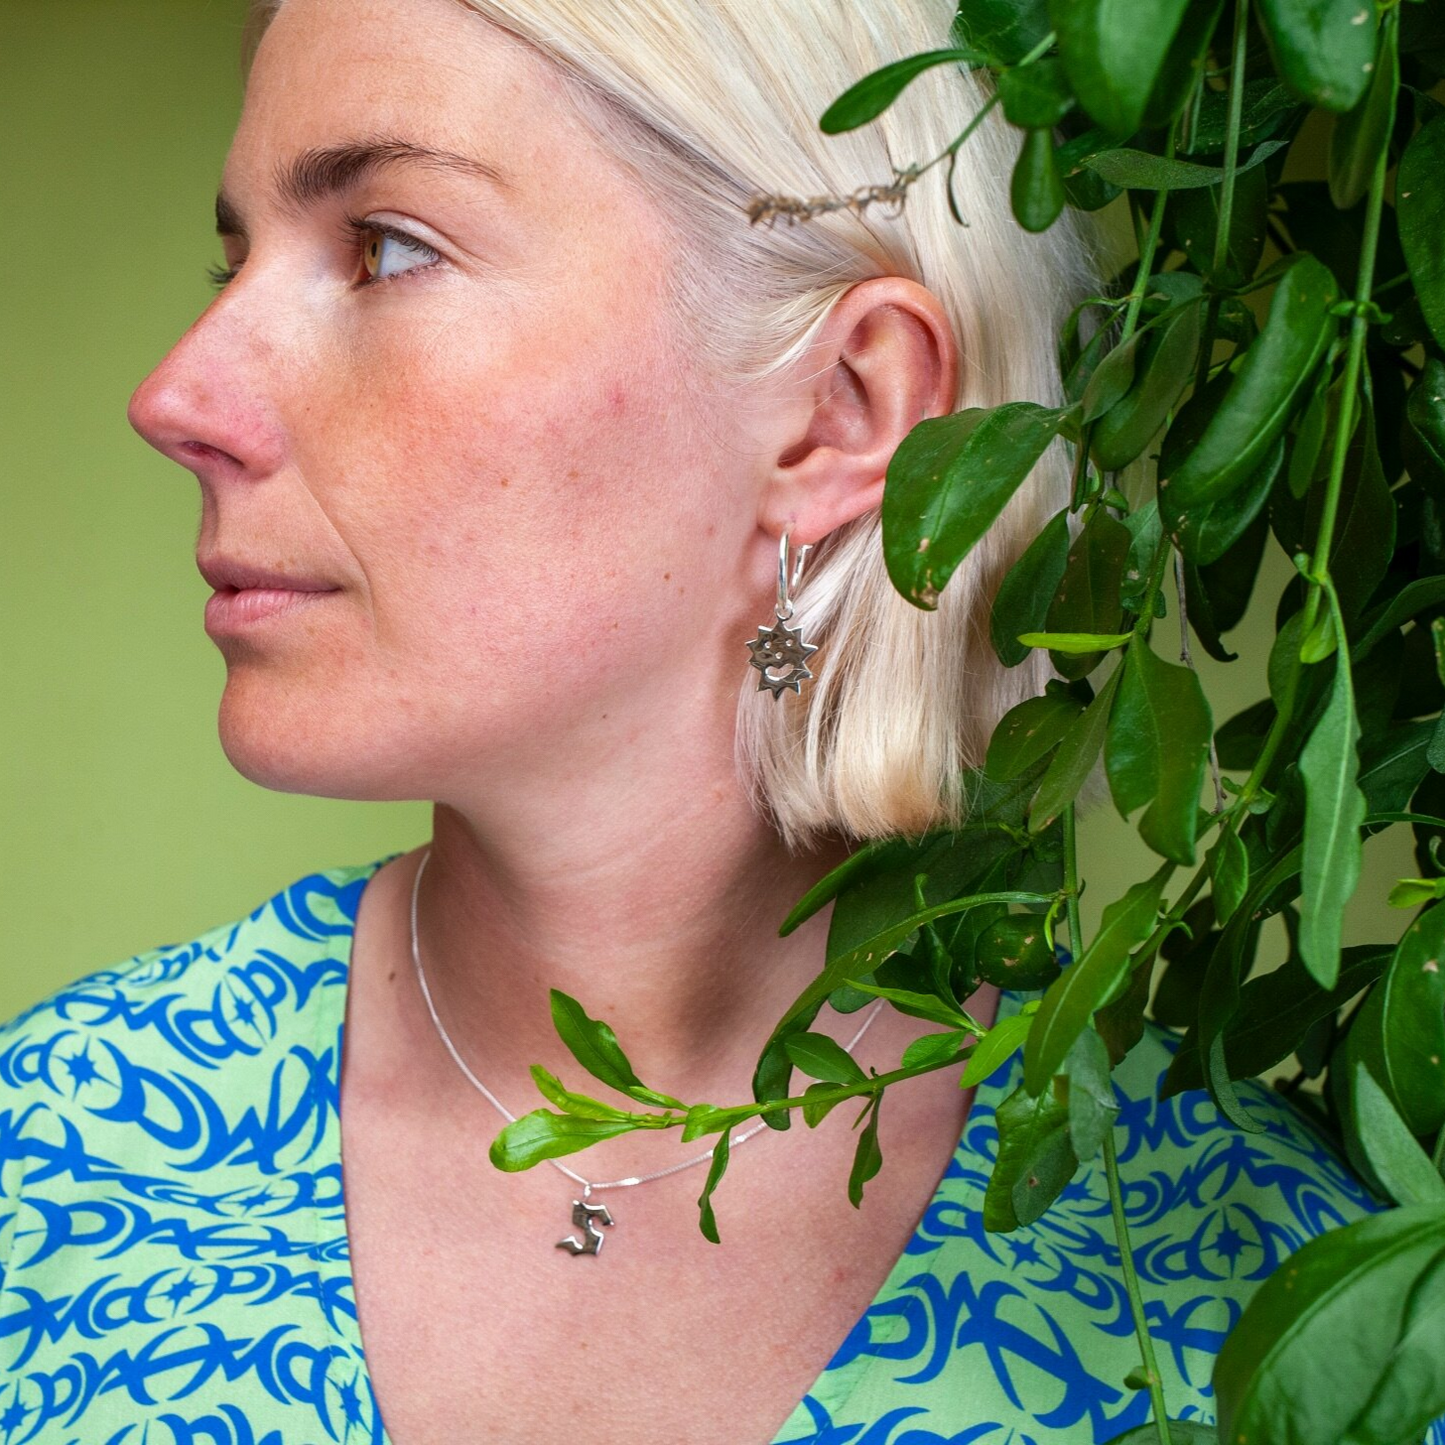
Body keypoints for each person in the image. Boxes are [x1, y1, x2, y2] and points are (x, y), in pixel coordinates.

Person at [0, 1, 1404, 1442]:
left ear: (843, 414)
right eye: (235, 261)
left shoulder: (1284, 1303)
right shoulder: (53, 1158)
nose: (177, 395)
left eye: (385, 248)